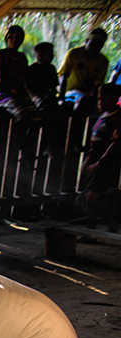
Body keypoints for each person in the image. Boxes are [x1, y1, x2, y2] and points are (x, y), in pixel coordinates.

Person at [0, 25, 42, 163]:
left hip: (18, 93)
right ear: (6, 39)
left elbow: (27, 79)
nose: (14, 40)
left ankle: (29, 151)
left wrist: (11, 74)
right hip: (2, 94)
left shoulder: (22, 57)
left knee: (37, 118)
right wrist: (17, 77)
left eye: (17, 37)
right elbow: (1, 79)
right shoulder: (0, 54)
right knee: (22, 116)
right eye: (11, 37)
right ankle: (25, 151)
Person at [59, 28, 109, 151]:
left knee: (100, 111)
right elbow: (63, 76)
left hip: (89, 93)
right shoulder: (74, 54)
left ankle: (92, 144)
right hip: (71, 91)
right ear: (86, 41)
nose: (95, 47)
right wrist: (60, 97)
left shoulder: (102, 61)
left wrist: (94, 96)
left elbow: (97, 84)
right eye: (93, 43)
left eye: (99, 45)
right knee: (81, 102)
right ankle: (74, 140)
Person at [81, 84, 121, 232]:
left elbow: (115, 143)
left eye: (105, 100)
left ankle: (113, 218)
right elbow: (94, 142)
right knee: (88, 198)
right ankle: (90, 229)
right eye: (99, 100)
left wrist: (100, 162)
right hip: (95, 162)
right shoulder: (101, 117)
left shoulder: (117, 117)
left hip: (107, 164)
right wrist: (88, 161)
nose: (100, 103)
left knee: (92, 197)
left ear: (115, 100)